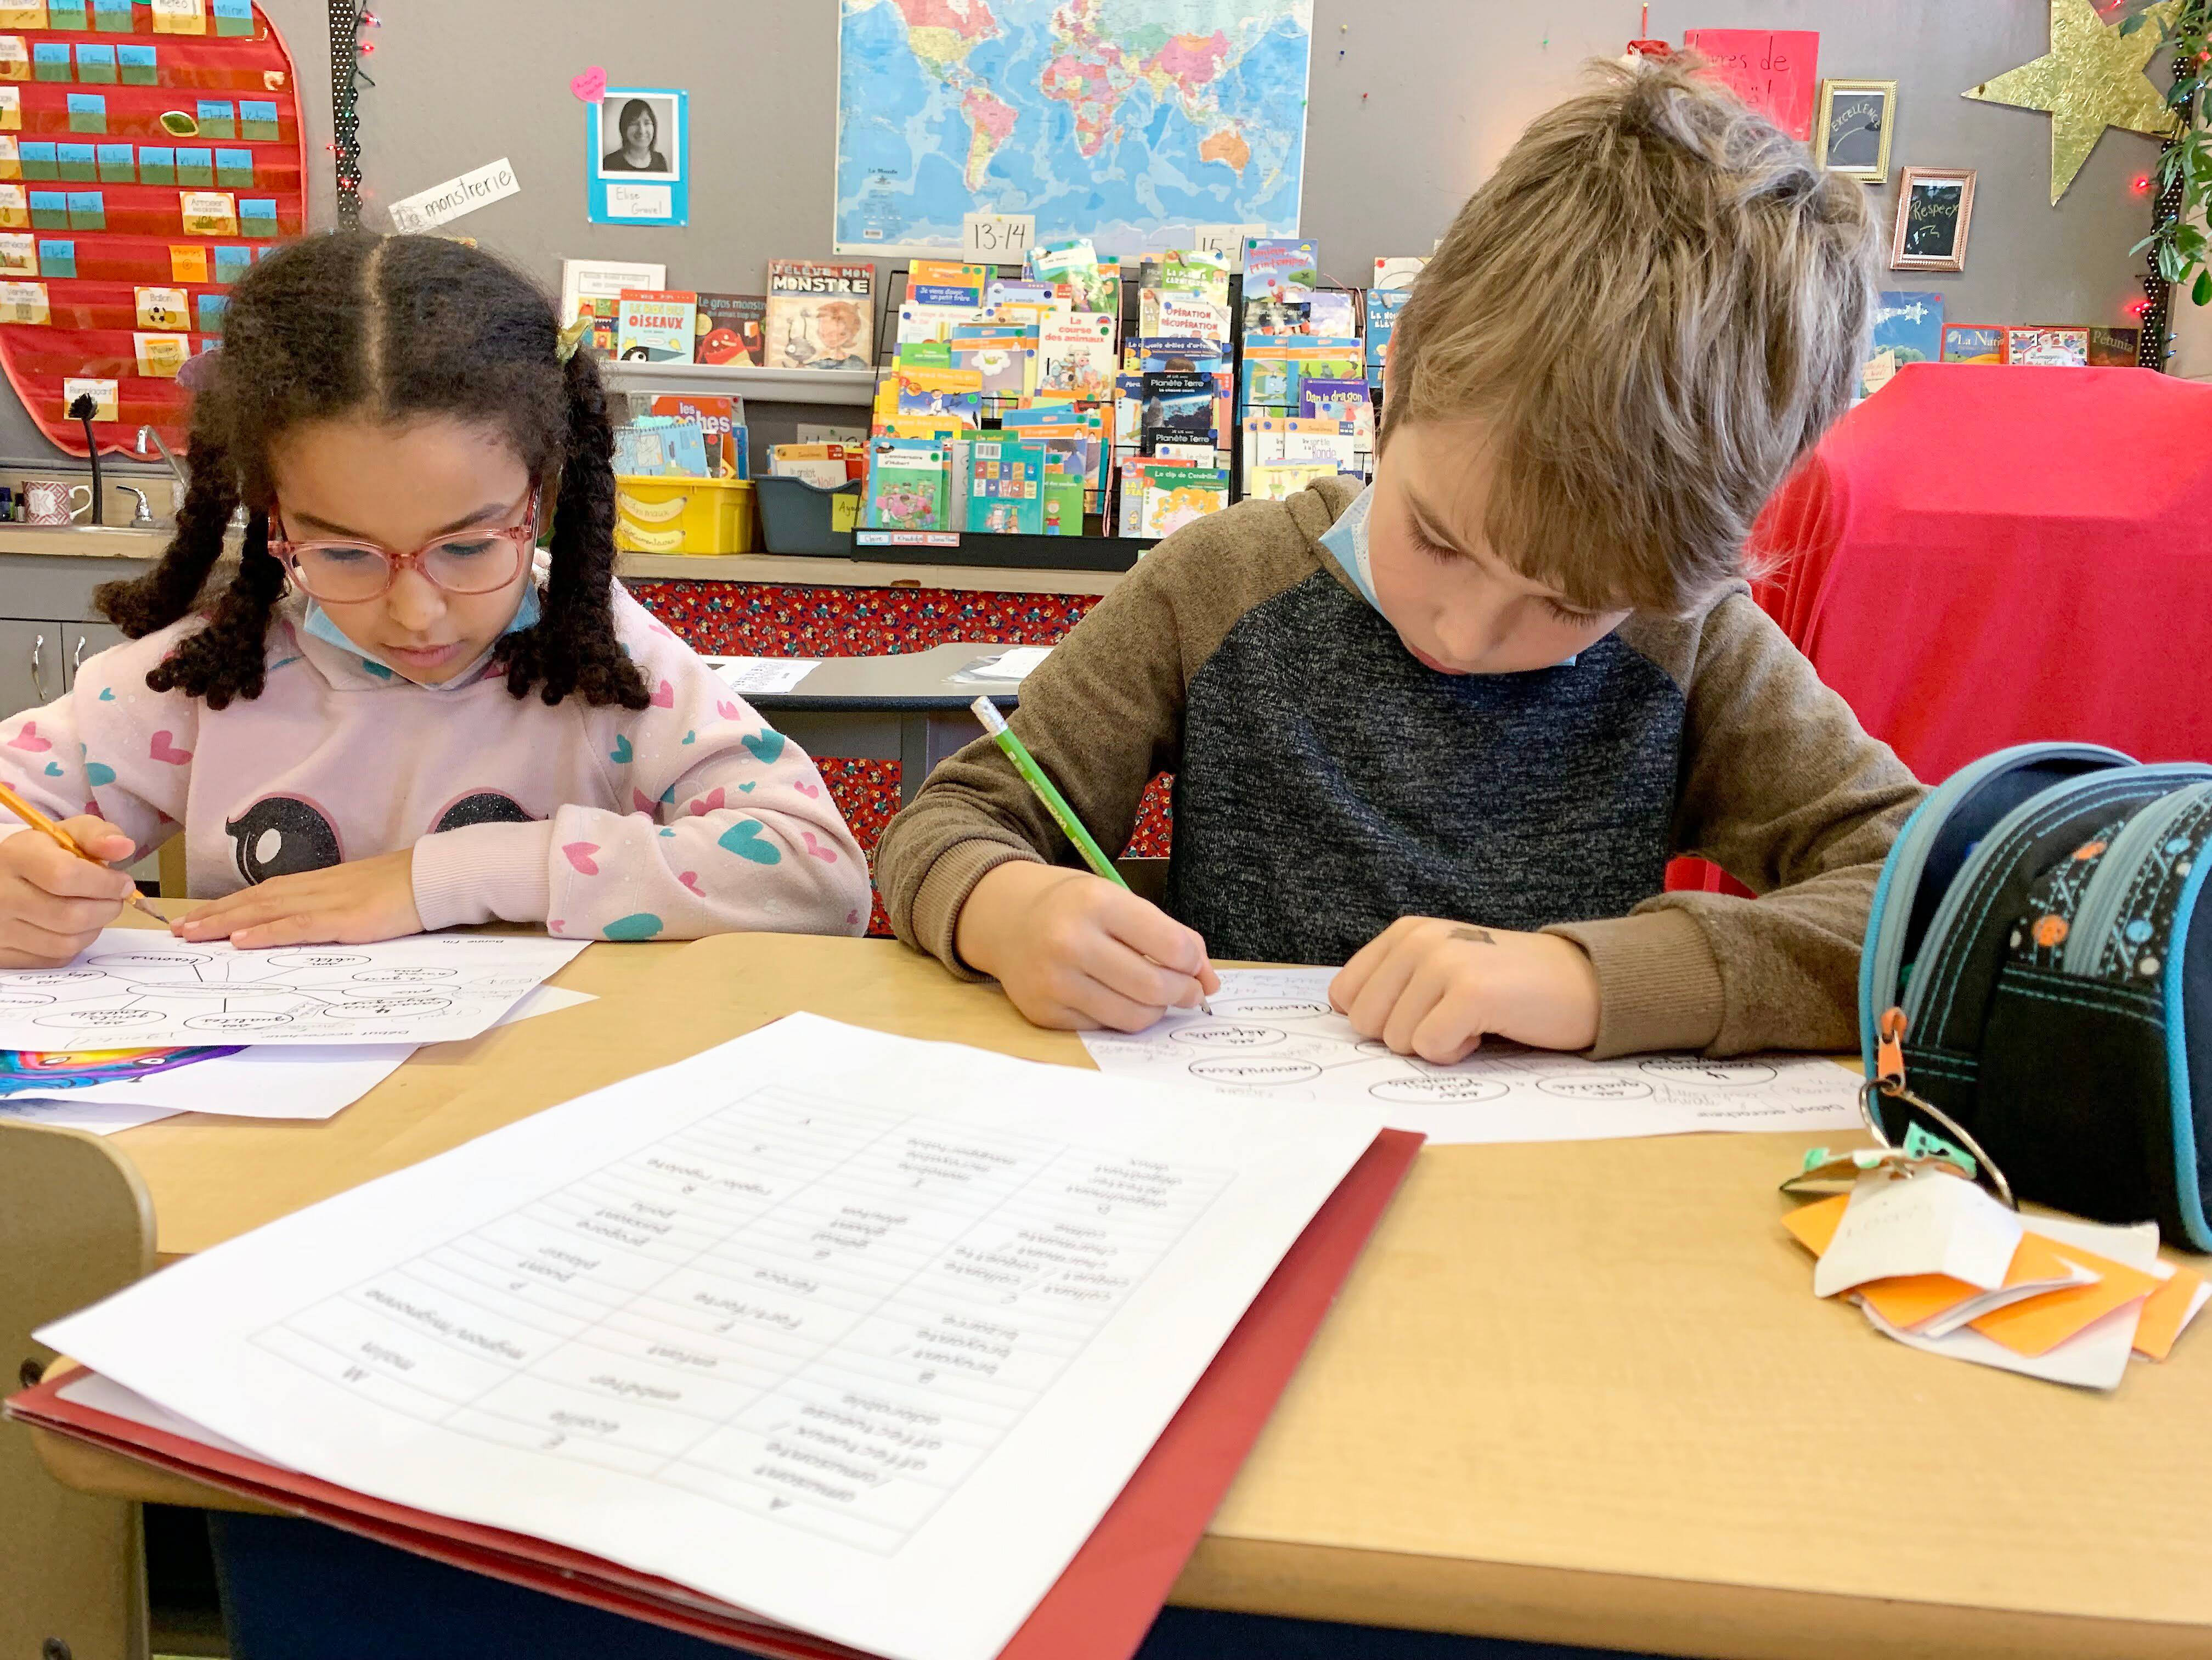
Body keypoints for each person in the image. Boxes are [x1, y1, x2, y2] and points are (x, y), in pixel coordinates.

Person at [873, 54, 1924, 1062]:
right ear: (1393, 399)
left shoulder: (1690, 644)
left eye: (1567, 603)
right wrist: (1007, 910)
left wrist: (1597, 981)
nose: (1466, 635)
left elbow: (1936, 899)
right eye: (1437, 540)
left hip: (1548, 1200)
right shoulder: (1220, 584)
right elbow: (951, 822)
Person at [0, 232, 868, 967]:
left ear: (543, 499)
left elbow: (820, 879)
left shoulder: (607, 667)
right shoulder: (213, 676)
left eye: (466, 546)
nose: (416, 613)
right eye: (341, 551)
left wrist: (450, 876)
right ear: (273, 516)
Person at [601, 98, 669, 173]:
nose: (642, 131)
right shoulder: (610, 163)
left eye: (647, 123)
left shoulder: (660, 161)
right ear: (624, 129)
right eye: (634, 124)